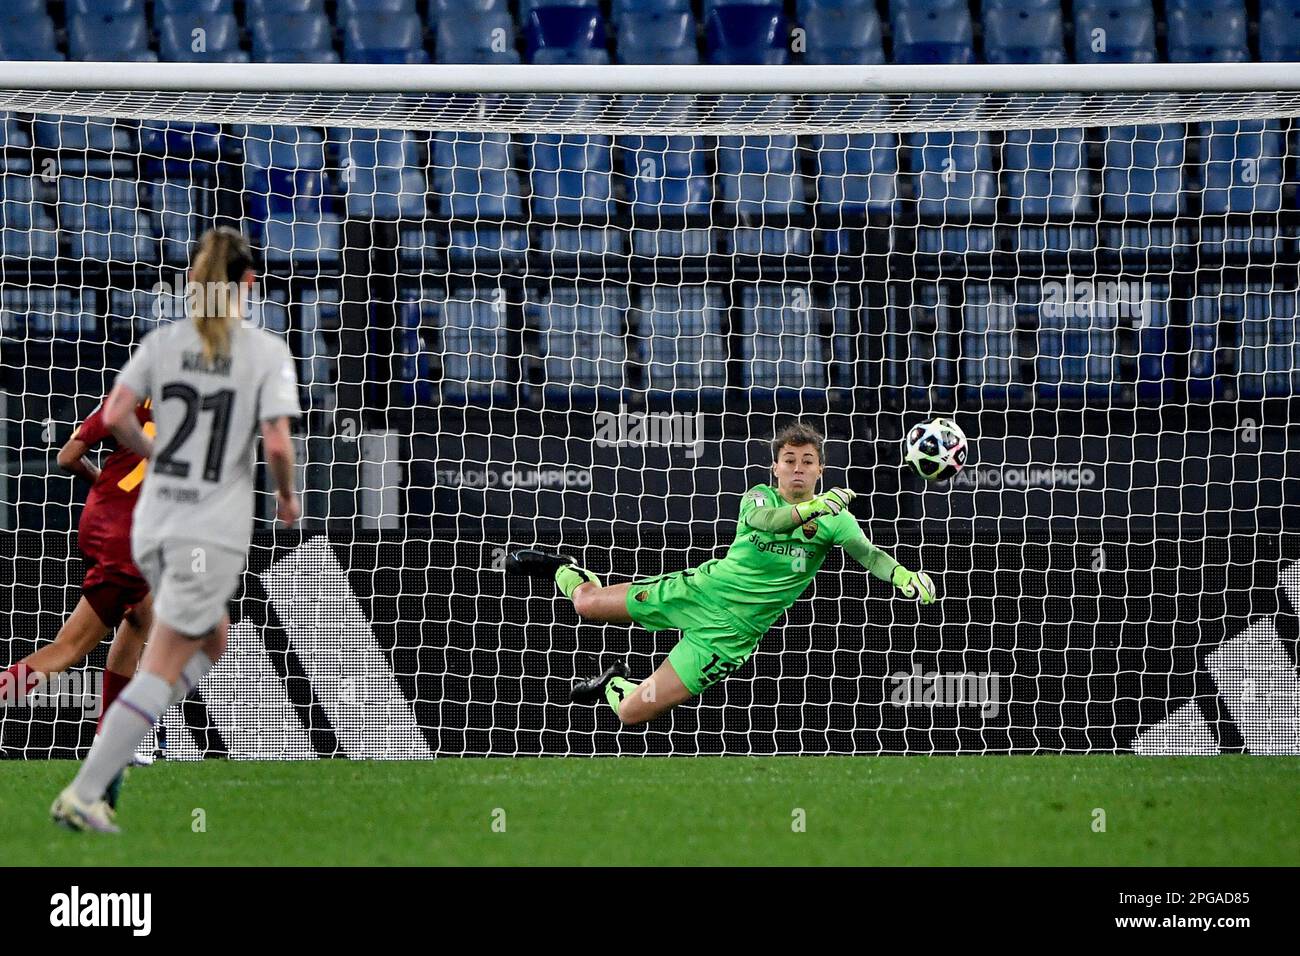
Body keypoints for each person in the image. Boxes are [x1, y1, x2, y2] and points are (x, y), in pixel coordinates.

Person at [51, 226, 301, 833]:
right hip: (205, 531)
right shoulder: (264, 353)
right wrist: (287, 499)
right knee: (164, 665)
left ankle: (110, 760)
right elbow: (276, 442)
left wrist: (155, 458)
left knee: (210, 641)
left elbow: (112, 418)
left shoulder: (163, 344)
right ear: (247, 283)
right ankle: (91, 787)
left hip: (152, 525)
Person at [507, 420, 936, 726]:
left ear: (821, 470)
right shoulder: (759, 497)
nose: (799, 468)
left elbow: (870, 554)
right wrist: (812, 507)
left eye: (808, 461)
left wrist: (904, 577)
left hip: (728, 637)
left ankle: (611, 684)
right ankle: (563, 568)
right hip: (698, 592)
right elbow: (770, 523)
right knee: (586, 604)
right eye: (790, 460)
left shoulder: (835, 520)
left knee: (631, 712)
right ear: (776, 468)